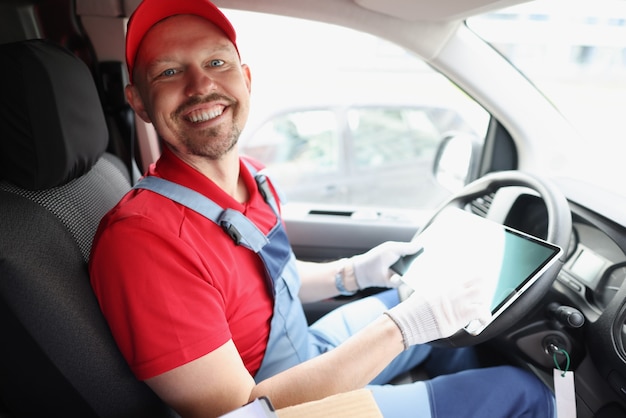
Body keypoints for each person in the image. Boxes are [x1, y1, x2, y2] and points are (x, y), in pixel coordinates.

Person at [89, 0, 556, 416]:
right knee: (521, 390)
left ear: (245, 79)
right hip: (276, 406)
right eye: (169, 72)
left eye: (216, 61)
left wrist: (353, 273)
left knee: (426, 312)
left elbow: (274, 280)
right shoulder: (144, 241)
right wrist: (403, 329)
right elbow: (238, 412)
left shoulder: (252, 178)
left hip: (305, 349)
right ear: (139, 103)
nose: (200, 85)